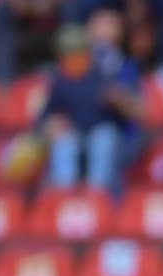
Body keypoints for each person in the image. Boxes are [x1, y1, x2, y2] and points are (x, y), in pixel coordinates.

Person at [36, 19, 143, 197]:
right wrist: (50, 126)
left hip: (109, 137)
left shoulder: (107, 72)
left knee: (103, 137)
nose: (73, 57)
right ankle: (64, 196)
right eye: (68, 53)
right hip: (75, 135)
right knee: (64, 142)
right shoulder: (60, 80)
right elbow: (44, 117)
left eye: (78, 51)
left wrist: (120, 101)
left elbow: (137, 114)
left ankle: (97, 197)